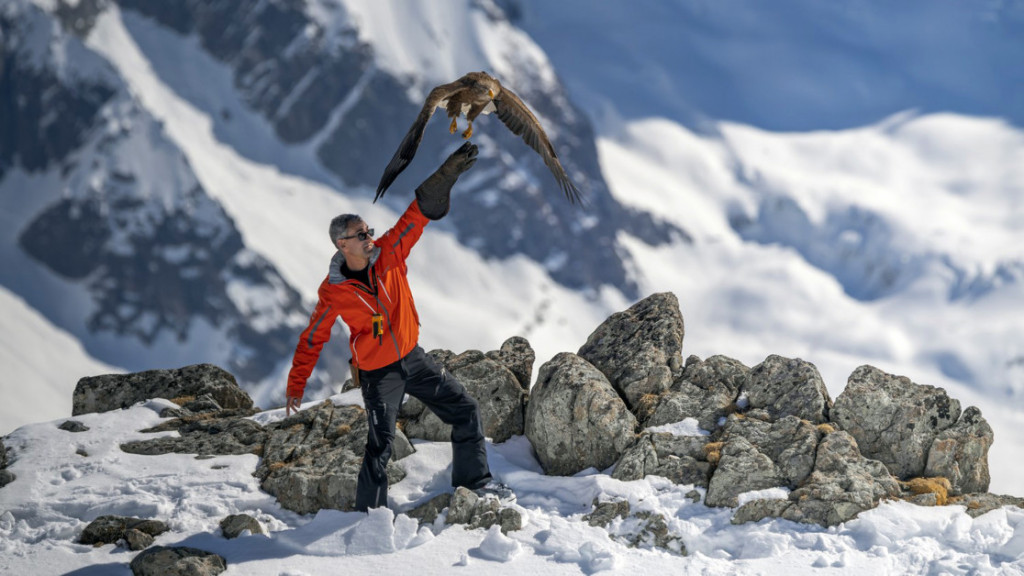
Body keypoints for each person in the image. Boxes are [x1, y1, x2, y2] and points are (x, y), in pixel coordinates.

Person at [285, 142, 509, 512]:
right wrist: (296, 385)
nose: (369, 236)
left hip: (414, 359)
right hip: (378, 374)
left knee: (465, 409)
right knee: (381, 444)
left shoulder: (389, 252)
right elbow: (313, 338)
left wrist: (445, 176)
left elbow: (415, 216)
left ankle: (475, 484)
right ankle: (369, 516)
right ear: (342, 245)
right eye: (361, 234)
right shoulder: (333, 293)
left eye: (368, 229)